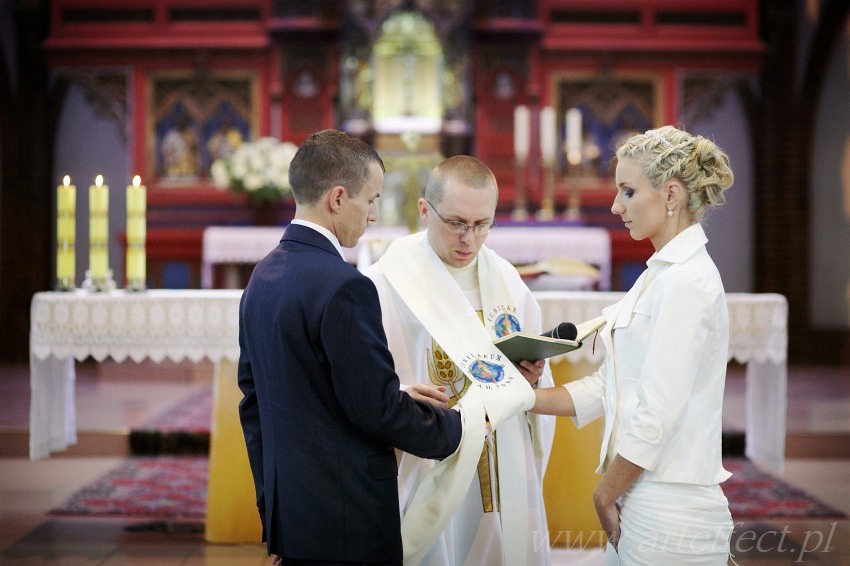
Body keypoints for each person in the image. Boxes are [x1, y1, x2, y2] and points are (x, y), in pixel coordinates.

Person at [237, 129, 466, 565]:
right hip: (347, 519)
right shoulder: (345, 286)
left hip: (294, 514)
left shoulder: (263, 276)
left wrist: (275, 509)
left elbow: (256, 402)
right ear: (338, 198)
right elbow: (374, 409)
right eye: (372, 198)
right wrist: (456, 428)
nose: (375, 214)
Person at [532, 125, 736, 565]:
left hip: (671, 503)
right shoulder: (657, 275)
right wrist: (523, 399)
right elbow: (612, 385)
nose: (614, 205)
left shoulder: (688, 282)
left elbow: (658, 412)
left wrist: (605, 494)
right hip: (639, 490)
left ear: (671, 195)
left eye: (627, 192)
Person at [365, 155, 556, 565]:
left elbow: (532, 386)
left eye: (482, 224)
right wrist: (397, 394)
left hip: (499, 458)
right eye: (455, 223)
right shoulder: (386, 280)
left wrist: (533, 377)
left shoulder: (507, 280)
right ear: (423, 210)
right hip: (425, 457)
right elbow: (362, 375)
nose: (469, 238)